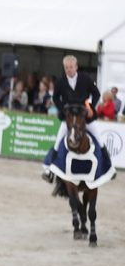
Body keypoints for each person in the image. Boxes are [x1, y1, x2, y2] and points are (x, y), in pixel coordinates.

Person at [43, 54, 108, 182]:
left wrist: (90, 108)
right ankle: (50, 170)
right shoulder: (60, 82)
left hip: (84, 116)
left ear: (76, 67)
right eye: (66, 67)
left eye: (71, 67)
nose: (69, 69)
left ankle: (107, 167)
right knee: (57, 141)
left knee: (99, 139)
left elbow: (96, 93)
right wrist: (63, 109)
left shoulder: (85, 79)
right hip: (69, 117)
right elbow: (55, 98)